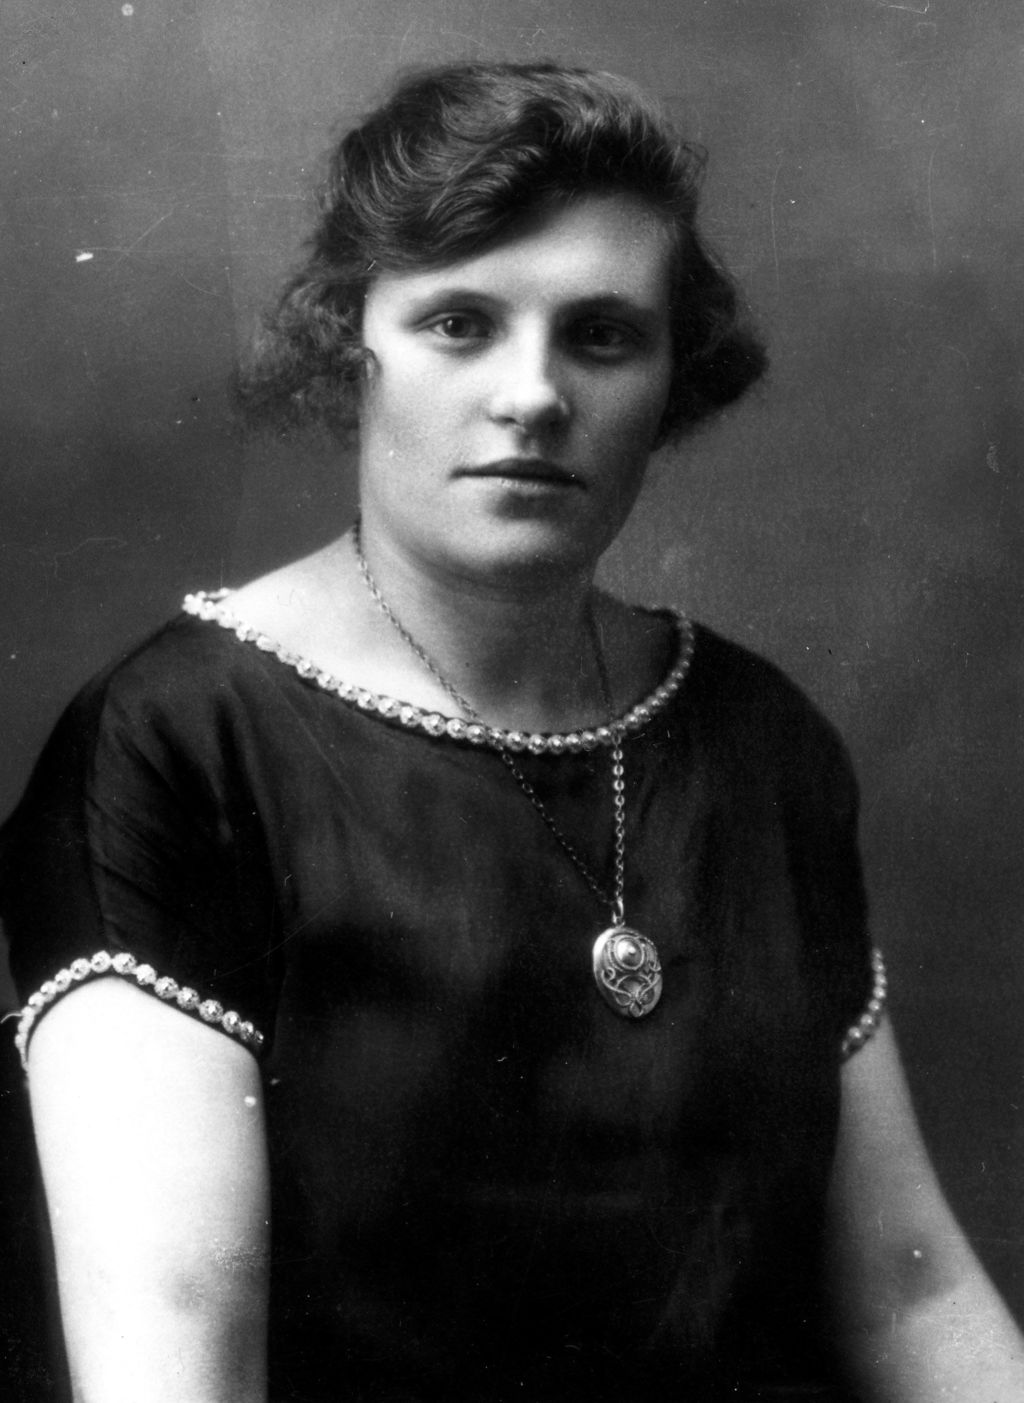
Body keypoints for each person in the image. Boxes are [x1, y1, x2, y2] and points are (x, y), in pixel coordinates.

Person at [1, 59, 1021, 1403]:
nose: (533, 394)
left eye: (601, 336)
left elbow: (910, 1289)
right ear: (347, 347)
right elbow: (175, 1347)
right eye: (460, 324)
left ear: (673, 376)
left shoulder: (757, 736)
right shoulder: (177, 745)